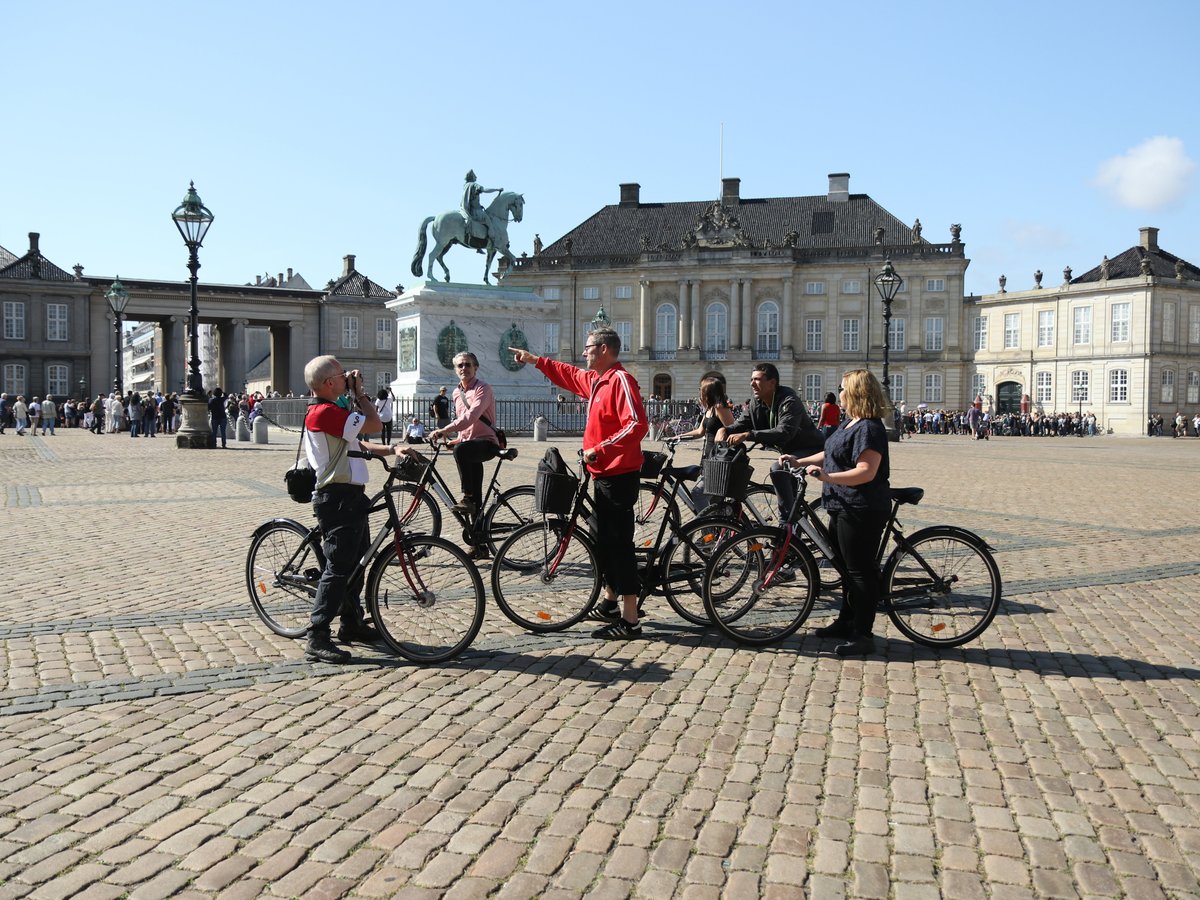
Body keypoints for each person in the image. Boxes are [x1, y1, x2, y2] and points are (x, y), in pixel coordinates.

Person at [510, 327, 649, 639]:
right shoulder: (597, 380)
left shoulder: (620, 380)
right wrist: (535, 360)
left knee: (619, 544)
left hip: (618, 474)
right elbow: (568, 374)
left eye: (587, 347)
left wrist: (601, 449)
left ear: (602, 349)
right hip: (601, 473)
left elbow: (637, 424)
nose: (583, 352)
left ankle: (630, 620)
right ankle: (611, 602)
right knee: (604, 540)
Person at [781, 370, 891, 657]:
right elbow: (830, 452)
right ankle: (846, 621)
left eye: (842, 388)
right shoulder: (849, 423)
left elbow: (866, 472)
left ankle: (863, 635)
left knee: (860, 571)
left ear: (854, 392)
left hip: (861, 507)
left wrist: (828, 477)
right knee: (846, 569)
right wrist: (799, 460)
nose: (838, 393)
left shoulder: (869, 427)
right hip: (841, 505)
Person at [301, 354, 398, 663]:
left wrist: (391, 448)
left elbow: (356, 441)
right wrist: (361, 394)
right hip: (336, 498)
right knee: (339, 567)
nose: (347, 379)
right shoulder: (322, 412)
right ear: (329, 383)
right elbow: (373, 422)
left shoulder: (335, 409)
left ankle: (352, 623)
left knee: (359, 561)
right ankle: (317, 636)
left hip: (352, 495)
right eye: (342, 376)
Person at [715, 362, 824, 521]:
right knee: (788, 488)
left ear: (772, 383)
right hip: (787, 452)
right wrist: (725, 430)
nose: (752, 383)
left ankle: (786, 522)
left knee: (778, 469)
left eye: (757, 379)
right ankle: (795, 525)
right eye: (751, 379)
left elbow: (784, 432)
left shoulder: (789, 400)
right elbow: (741, 424)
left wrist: (748, 435)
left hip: (810, 449)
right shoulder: (756, 402)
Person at [428, 352, 501, 559]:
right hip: (469, 445)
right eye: (460, 365)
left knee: (463, 456)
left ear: (476, 367)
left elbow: (472, 416)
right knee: (476, 501)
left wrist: (444, 430)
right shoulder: (455, 393)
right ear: (455, 369)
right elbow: (464, 426)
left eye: (468, 365)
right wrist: (455, 439)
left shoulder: (483, 389)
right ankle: (479, 546)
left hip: (487, 444)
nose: (464, 368)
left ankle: (467, 496)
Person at [680, 376, 734, 508]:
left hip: (719, 460)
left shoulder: (720, 407)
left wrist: (724, 430)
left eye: (701, 389)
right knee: (714, 503)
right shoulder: (709, 409)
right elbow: (700, 431)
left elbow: (733, 429)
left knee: (698, 494)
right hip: (709, 459)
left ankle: (707, 528)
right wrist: (679, 437)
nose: (699, 392)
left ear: (707, 392)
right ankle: (718, 527)